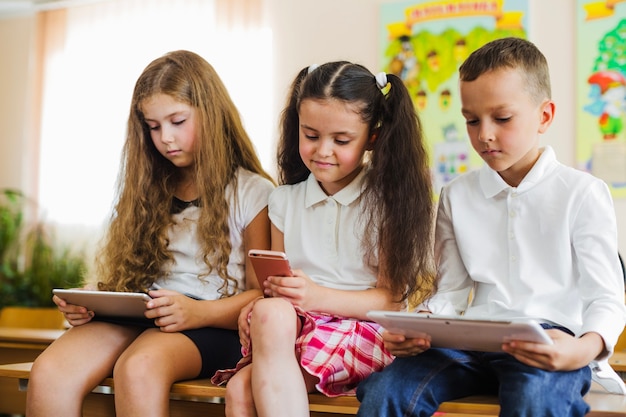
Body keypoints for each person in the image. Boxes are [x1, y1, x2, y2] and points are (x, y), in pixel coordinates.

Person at [356, 37, 626, 416]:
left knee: (536, 399)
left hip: (548, 341)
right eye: (471, 120)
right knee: (388, 388)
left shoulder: (583, 193)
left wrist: (583, 349)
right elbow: (450, 292)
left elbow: (607, 297)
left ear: (545, 116)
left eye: (502, 118)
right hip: (472, 341)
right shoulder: (456, 195)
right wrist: (421, 327)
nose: (484, 134)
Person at [26, 50, 275, 417]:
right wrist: (95, 302)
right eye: (153, 126)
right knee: (48, 372)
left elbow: (261, 296)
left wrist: (198, 312)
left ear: (212, 113)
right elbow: (131, 280)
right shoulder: (146, 188)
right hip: (147, 315)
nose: (166, 139)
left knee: (139, 367)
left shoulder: (253, 192)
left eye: (177, 121)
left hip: (215, 324)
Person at [212, 61, 436, 416]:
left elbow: (392, 301)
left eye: (341, 140)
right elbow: (277, 285)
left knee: (258, 351)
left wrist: (316, 296)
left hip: (364, 330)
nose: (322, 151)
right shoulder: (283, 200)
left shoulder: (387, 201)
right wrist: (256, 305)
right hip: (298, 329)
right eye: (311, 135)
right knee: (240, 384)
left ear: (372, 137)